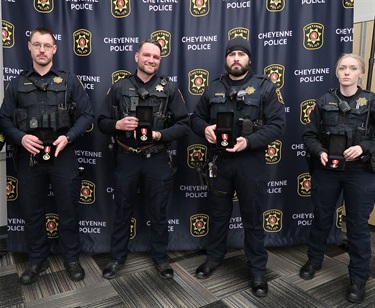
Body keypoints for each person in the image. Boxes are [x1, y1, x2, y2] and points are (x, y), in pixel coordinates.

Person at [190, 37, 286, 297]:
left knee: (253, 219)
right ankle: (214, 258)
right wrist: (205, 128)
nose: (236, 59)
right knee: (218, 214)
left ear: (249, 59)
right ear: (226, 59)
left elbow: (278, 124)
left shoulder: (265, 87)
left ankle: (257, 270)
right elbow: (196, 118)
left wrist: (250, 141)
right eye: (231, 54)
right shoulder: (213, 88)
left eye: (241, 55)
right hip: (219, 162)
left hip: (250, 162)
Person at [0, 27, 94, 284]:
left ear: (54, 49)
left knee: (68, 210)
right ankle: (36, 260)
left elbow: (87, 115)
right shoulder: (17, 83)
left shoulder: (69, 81)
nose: (42, 50)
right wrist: (20, 137)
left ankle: (72, 258)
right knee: (32, 212)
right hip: (29, 156)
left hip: (62, 153)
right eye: (37, 45)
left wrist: (68, 137)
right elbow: (4, 119)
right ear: (29, 47)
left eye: (47, 45)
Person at [97, 39, 190, 280]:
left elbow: (184, 125)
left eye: (156, 57)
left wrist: (161, 134)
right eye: (146, 55)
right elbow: (101, 122)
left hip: (156, 157)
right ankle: (117, 257)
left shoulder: (169, 89)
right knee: (121, 211)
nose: (151, 60)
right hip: (126, 156)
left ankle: (160, 258)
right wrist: (117, 124)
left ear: (159, 61)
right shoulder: (119, 87)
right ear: (136, 57)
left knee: (158, 211)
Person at [300, 53, 375, 304]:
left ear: (361, 73)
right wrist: (319, 151)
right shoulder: (324, 101)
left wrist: (364, 148)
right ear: (336, 72)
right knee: (321, 218)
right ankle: (314, 260)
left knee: (357, 226)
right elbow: (309, 136)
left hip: (359, 171)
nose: (347, 72)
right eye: (342, 67)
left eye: (353, 68)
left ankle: (358, 278)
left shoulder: (371, 102)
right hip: (327, 169)